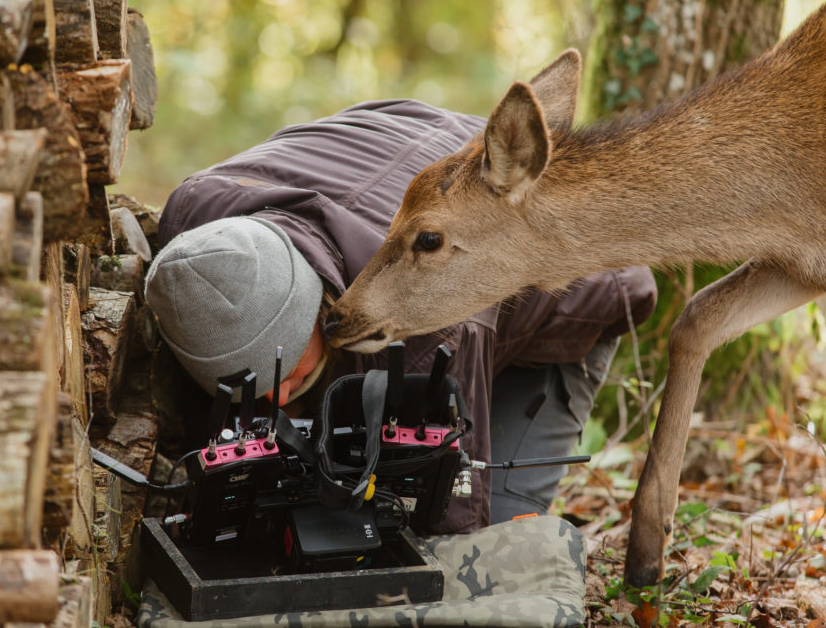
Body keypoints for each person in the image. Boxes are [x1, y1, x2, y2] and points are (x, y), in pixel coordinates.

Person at [145, 98, 657, 534]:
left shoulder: (431, 327)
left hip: (573, 291)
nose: (277, 400)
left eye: (289, 369)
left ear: (322, 304)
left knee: (486, 539)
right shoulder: (192, 230)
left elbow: (455, 524)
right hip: (413, 141)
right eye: (251, 386)